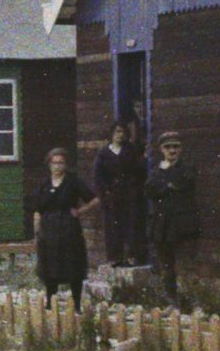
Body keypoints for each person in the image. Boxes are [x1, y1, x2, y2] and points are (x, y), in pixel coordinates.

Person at [29, 146, 99, 310]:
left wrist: (80, 211)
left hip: (69, 228)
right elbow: (37, 210)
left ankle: (76, 304)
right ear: (49, 165)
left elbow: (95, 200)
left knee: (72, 264)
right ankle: (50, 303)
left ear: (65, 165)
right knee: (50, 265)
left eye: (61, 163)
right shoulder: (44, 185)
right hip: (49, 229)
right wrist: (37, 230)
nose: (57, 166)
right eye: (54, 163)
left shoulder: (73, 182)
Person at [144, 131, 199, 306]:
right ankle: (171, 303)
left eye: (175, 146)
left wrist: (165, 183)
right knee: (166, 268)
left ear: (180, 149)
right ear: (162, 149)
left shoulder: (187, 168)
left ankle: (192, 305)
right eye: (168, 147)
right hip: (162, 227)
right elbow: (149, 190)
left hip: (183, 226)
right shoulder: (157, 171)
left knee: (185, 267)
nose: (172, 150)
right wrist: (168, 185)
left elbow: (184, 183)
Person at [91, 116, 146, 267]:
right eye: (117, 132)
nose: (120, 135)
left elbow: (138, 170)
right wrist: (105, 193)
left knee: (131, 224)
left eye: (123, 132)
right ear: (111, 134)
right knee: (113, 226)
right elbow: (98, 176)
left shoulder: (130, 150)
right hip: (112, 195)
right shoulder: (103, 153)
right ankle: (115, 257)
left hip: (129, 192)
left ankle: (131, 256)